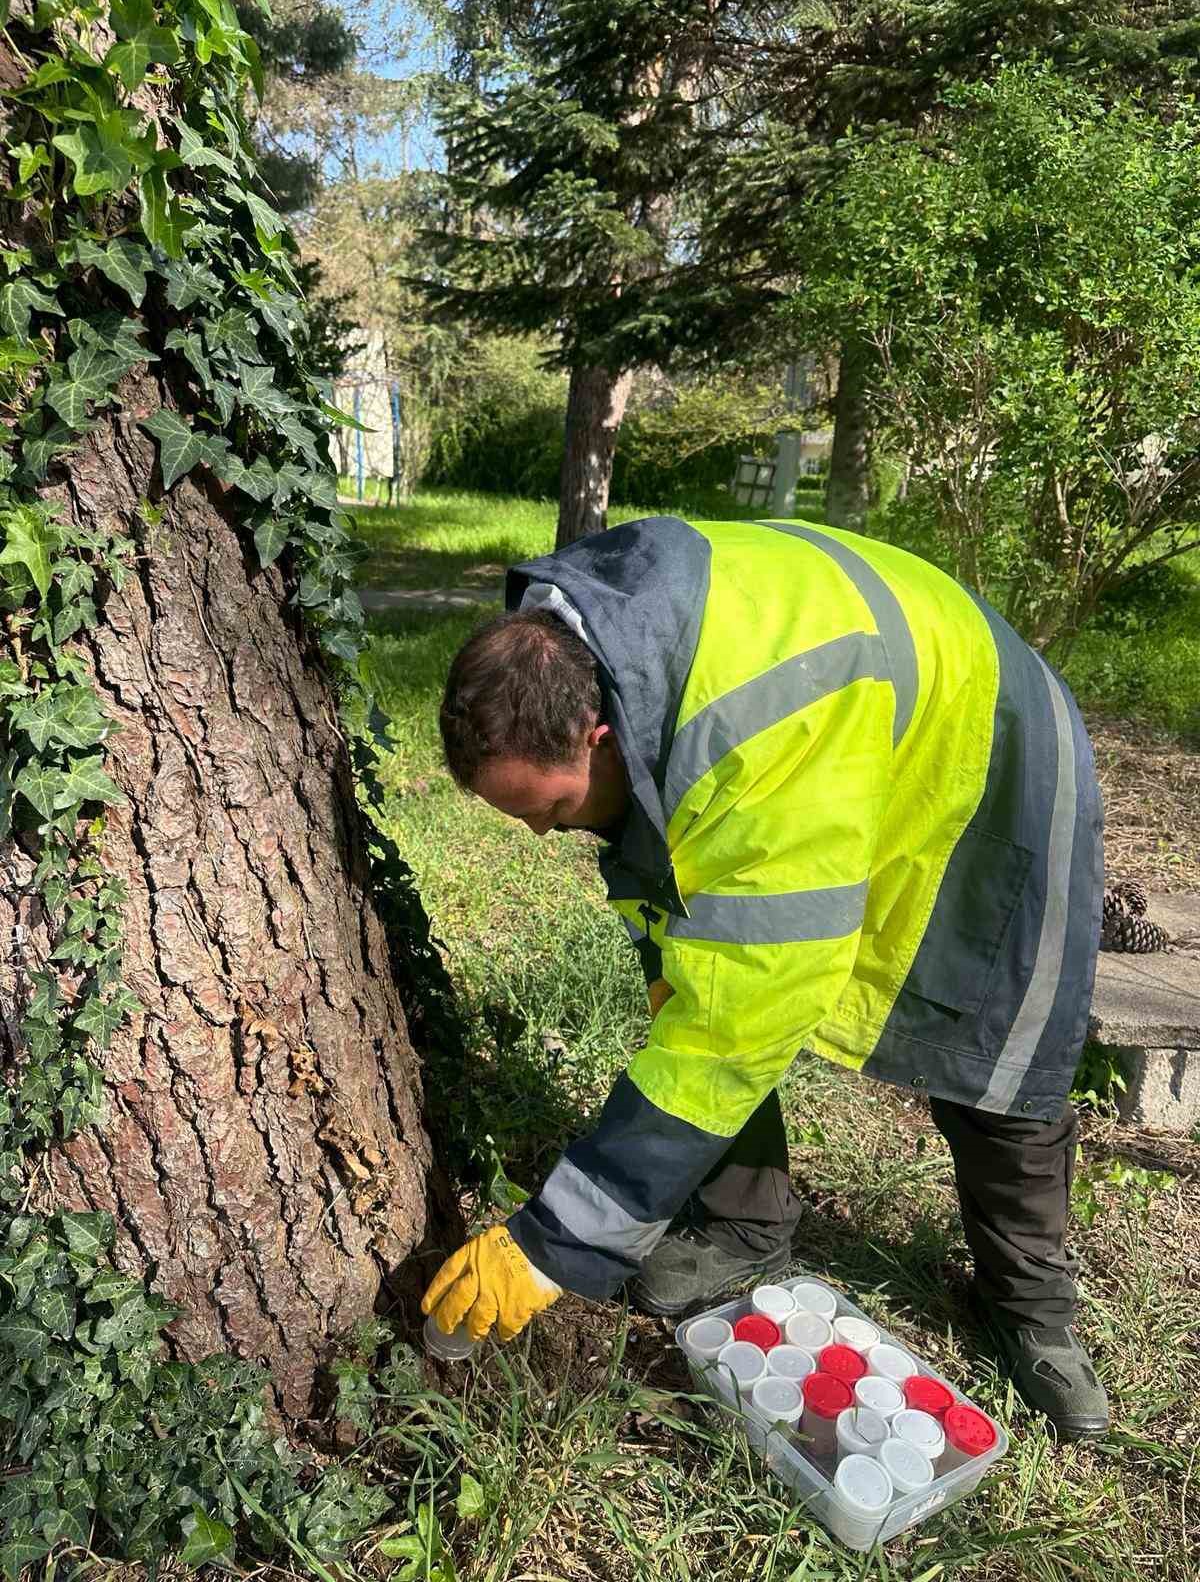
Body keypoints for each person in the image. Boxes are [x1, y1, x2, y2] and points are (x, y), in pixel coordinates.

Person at [421, 515, 1109, 1440]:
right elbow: (707, 1007)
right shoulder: (590, 634)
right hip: (860, 709)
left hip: (991, 745)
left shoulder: (755, 741)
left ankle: (1033, 1311)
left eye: (550, 808)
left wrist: (555, 1242)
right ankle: (749, 1221)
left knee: (1001, 1045)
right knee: (692, 990)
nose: (545, 835)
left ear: (596, 734)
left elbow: (739, 1027)